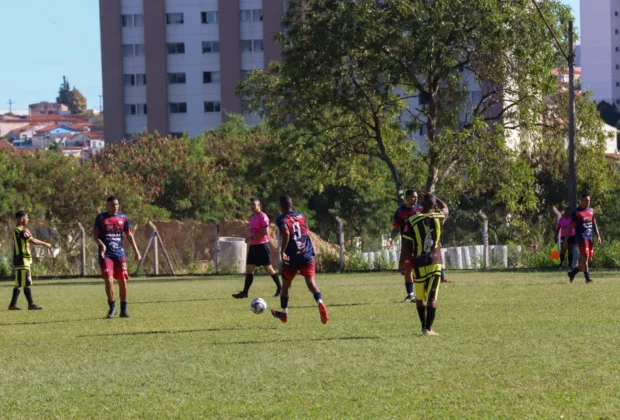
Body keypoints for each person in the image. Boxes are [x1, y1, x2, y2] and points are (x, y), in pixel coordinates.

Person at [270, 196, 328, 324]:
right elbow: (305, 231)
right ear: (291, 204)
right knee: (311, 283)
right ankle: (320, 302)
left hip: (291, 257)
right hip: (306, 253)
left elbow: (286, 234)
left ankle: (284, 314)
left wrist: (282, 251)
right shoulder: (301, 216)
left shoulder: (281, 219)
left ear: (281, 206)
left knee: (285, 286)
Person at [93, 196, 142, 318]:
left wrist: (137, 251)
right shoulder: (100, 218)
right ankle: (112, 308)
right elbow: (95, 236)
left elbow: (129, 235)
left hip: (119, 254)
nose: (115, 207)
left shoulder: (123, 218)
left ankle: (124, 310)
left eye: (116, 204)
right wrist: (102, 245)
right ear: (107, 206)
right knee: (109, 280)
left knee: (123, 281)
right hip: (106, 254)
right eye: (112, 205)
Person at [407, 194, 449, 336]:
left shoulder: (412, 220)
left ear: (421, 203)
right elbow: (446, 208)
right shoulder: (438, 216)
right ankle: (428, 328)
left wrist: (404, 262)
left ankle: (423, 327)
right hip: (434, 261)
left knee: (420, 297)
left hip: (418, 262)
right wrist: (436, 198)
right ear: (433, 204)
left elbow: (407, 244)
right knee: (432, 297)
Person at [233, 198, 282, 299]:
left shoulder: (263, 216)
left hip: (262, 245)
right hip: (254, 246)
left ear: (259, 205)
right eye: (251, 205)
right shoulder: (252, 217)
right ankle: (245, 293)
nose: (252, 206)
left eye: (254, 205)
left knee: (268, 269)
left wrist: (251, 238)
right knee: (249, 269)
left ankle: (280, 288)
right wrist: (252, 239)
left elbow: (265, 232)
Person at [8, 211, 52, 310]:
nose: (28, 219)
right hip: (22, 259)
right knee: (27, 282)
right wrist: (45, 244)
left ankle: (12, 305)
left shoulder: (22, 230)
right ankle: (31, 304)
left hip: (24, 259)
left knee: (19, 283)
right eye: (26, 217)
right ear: (21, 219)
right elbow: (32, 240)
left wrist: (28, 232)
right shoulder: (19, 230)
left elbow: (29, 238)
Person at [386, 190, 421, 303]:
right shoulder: (400, 211)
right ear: (407, 198)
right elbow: (396, 229)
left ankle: (422, 293)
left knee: (420, 269)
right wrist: (391, 239)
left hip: (419, 244)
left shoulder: (420, 210)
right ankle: (410, 295)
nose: (416, 199)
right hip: (406, 244)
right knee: (407, 269)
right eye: (414, 197)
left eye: (417, 197)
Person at [566, 194, 601, 284]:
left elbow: (594, 223)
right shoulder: (576, 212)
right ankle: (587, 278)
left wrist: (598, 236)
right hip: (581, 237)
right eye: (585, 201)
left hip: (590, 237)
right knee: (585, 257)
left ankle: (572, 273)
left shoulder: (591, 211)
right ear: (581, 201)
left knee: (589, 259)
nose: (587, 202)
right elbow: (570, 226)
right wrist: (566, 239)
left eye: (589, 200)